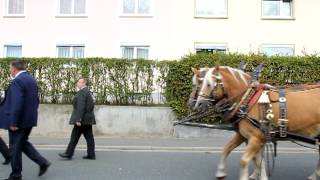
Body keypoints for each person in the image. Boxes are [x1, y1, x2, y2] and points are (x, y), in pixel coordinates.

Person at [0, 60, 50, 180]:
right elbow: (36, 100)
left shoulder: (18, 81)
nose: (10, 71)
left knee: (14, 148)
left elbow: (17, 103)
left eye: (10, 69)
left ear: (14, 69)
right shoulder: (31, 79)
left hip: (19, 122)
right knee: (22, 143)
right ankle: (42, 162)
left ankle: (16, 175)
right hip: (29, 119)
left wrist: (13, 122)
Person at [59, 78, 96, 160]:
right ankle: (91, 154)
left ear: (84, 83)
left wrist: (78, 119)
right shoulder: (87, 92)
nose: (77, 83)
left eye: (79, 82)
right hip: (87, 119)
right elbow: (90, 106)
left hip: (82, 120)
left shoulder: (82, 93)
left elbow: (80, 107)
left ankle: (68, 153)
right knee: (89, 137)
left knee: (74, 136)